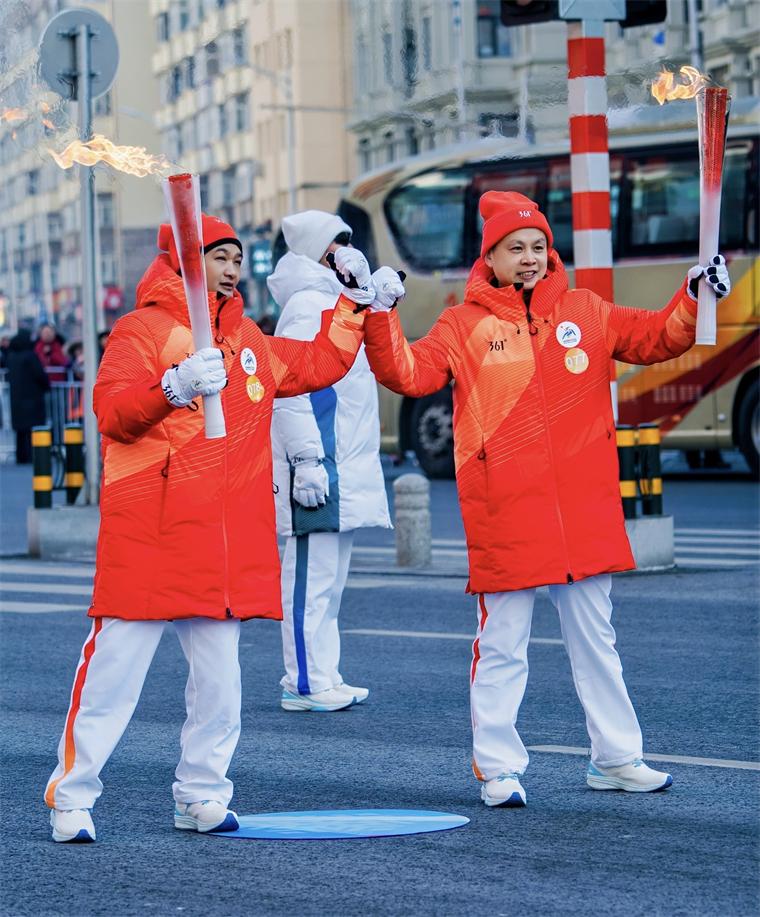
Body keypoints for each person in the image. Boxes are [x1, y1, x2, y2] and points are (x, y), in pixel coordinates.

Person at [362, 191, 731, 807]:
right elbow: (408, 374)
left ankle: (616, 758)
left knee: (597, 639)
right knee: (503, 642)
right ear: (493, 258)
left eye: (538, 247)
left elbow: (659, 338)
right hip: (507, 509)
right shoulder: (464, 324)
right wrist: (380, 314)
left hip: (583, 506)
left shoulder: (585, 309)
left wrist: (696, 294)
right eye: (516, 249)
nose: (529, 258)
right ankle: (499, 767)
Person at [44, 213, 375, 843]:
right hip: (151, 532)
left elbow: (318, 362)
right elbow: (112, 413)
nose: (229, 268)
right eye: (215, 257)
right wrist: (170, 387)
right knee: (113, 679)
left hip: (221, 539)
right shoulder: (140, 330)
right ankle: (74, 795)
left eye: (234, 258)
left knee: (221, 687)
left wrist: (355, 304)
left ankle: (201, 793)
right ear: (181, 262)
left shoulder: (249, 338)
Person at [269, 211, 391, 712]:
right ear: (317, 254)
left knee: (330, 584)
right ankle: (302, 681)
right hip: (318, 461)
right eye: (334, 244)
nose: (345, 250)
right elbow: (287, 390)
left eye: (346, 241)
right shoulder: (306, 306)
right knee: (307, 581)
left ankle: (325, 674)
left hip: (346, 458)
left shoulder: (341, 300)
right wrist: (306, 460)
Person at [5, 328, 49, 464]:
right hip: (32, 398)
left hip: (16, 400)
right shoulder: (30, 356)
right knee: (33, 431)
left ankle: (21, 456)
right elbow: (40, 375)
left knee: (20, 431)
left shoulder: (11, 357)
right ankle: (32, 456)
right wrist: (46, 386)